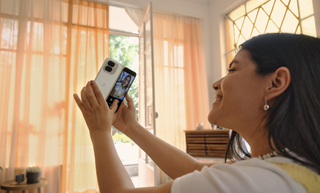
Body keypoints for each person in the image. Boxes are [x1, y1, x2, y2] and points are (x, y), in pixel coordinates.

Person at [73, 33, 320, 193]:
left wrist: (99, 131)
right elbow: (195, 170)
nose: (217, 83)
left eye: (233, 70)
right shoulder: (287, 166)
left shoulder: (253, 183)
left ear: (275, 83)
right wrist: (130, 128)